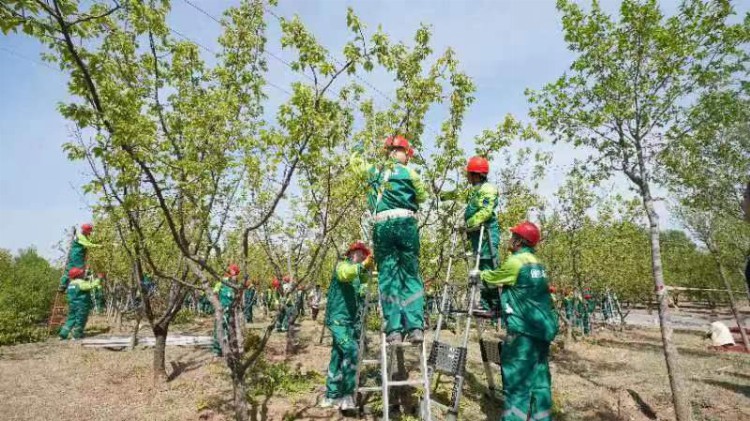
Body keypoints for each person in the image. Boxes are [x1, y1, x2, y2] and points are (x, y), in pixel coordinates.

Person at [473, 221, 558, 421]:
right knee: (540, 384)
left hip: (523, 333)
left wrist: (479, 274)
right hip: (542, 331)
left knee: (517, 385)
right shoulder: (538, 264)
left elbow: (494, 278)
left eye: (513, 237)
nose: (509, 240)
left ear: (520, 241)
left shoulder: (516, 262)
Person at [352, 135, 428, 344]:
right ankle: (415, 327)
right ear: (404, 154)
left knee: (388, 276)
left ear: (387, 152)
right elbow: (422, 196)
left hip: (383, 225)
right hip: (407, 224)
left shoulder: (376, 172)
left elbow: (356, 165)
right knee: (410, 275)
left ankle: (394, 329)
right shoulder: (412, 173)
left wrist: (358, 148)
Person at [320, 241, 374, 410]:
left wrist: (371, 273)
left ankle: (331, 396)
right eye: (360, 253)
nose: (363, 256)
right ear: (351, 254)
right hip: (337, 321)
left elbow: (365, 287)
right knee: (351, 350)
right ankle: (347, 395)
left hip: (350, 322)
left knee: (337, 356)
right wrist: (363, 266)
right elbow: (346, 274)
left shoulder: (358, 275)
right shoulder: (342, 266)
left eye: (365, 255)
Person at [59, 268, 102, 340]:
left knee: (70, 319)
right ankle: (76, 335)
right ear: (78, 275)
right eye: (81, 273)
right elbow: (91, 286)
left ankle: (62, 334)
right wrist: (99, 279)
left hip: (72, 305)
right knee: (80, 320)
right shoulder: (81, 283)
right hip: (81, 305)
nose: (83, 274)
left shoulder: (70, 284)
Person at [59, 223, 100, 291]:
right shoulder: (81, 236)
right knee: (80, 270)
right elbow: (88, 244)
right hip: (77, 256)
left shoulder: (81, 235)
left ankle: (62, 285)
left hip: (73, 255)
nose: (90, 233)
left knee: (68, 269)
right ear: (86, 231)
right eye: (89, 231)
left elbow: (89, 241)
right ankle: (80, 286)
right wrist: (99, 246)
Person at [211, 264, 238, 357]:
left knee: (231, 329)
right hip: (221, 309)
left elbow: (237, 297)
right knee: (219, 328)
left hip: (231, 310)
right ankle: (217, 350)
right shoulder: (221, 282)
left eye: (236, 274)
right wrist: (218, 306)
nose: (235, 276)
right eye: (234, 274)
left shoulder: (236, 285)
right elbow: (214, 294)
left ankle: (230, 348)